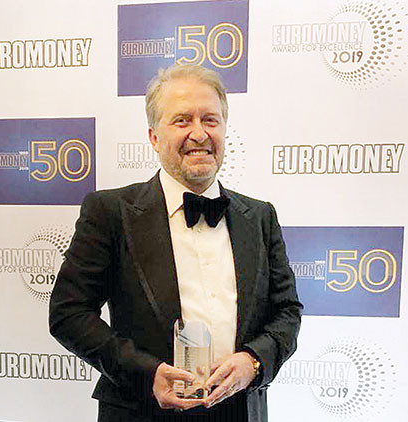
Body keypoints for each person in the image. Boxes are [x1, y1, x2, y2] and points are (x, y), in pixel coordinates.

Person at [49, 64, 302, 422]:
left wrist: (254, 361)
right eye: (182, 121)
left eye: (210, 120)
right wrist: (146, 374)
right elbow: (69, 313)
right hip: (141, 411)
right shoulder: (109, 212)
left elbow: (287, 311)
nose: (199, 133)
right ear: (154, 137)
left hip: (241, 410)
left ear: (224, 129)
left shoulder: (260, 217)